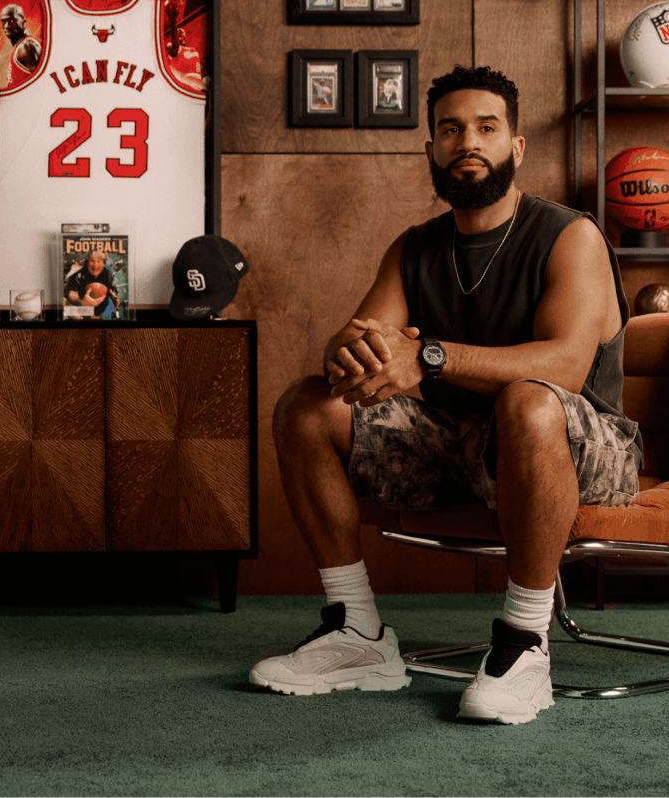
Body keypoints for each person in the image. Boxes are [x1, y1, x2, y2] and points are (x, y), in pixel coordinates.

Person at [248, 65, 641, 725]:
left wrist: (427, 356)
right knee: (307, 406)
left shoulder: (569, 235)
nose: (469, 142)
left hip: (580, 447)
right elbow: (365, 344)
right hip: (461, 447)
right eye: (451, 130)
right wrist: (350, 356)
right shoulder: (415, 248)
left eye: (487, 127)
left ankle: (525, 643)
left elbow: (566, 369)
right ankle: (357, 633)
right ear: (431, 149)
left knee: (528, 401)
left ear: (516, 147)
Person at [65, 250, 120, 317]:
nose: (95, 265)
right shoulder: (78, 273)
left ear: (103, 262)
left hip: (101, 311)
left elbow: (111, 290)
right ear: (87, 262)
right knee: (71, 313)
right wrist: (81, 302)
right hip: (82, 310)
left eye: (99, 261)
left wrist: (115, 298)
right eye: (92, 261)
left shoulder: (107, 273)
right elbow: (72, 294)